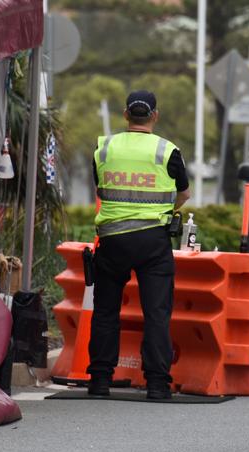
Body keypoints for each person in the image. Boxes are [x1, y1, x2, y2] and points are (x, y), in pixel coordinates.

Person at [87, 90, 190, 399]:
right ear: (154, 116)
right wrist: (166, 211)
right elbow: (184, 193)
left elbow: (100, 188)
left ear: (125, 115)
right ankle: (157, 384)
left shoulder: (104, 148)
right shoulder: (167, 150)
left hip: (112, 240)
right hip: (152, 241)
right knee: (156, 313)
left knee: (106, 311)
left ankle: (100, 381)